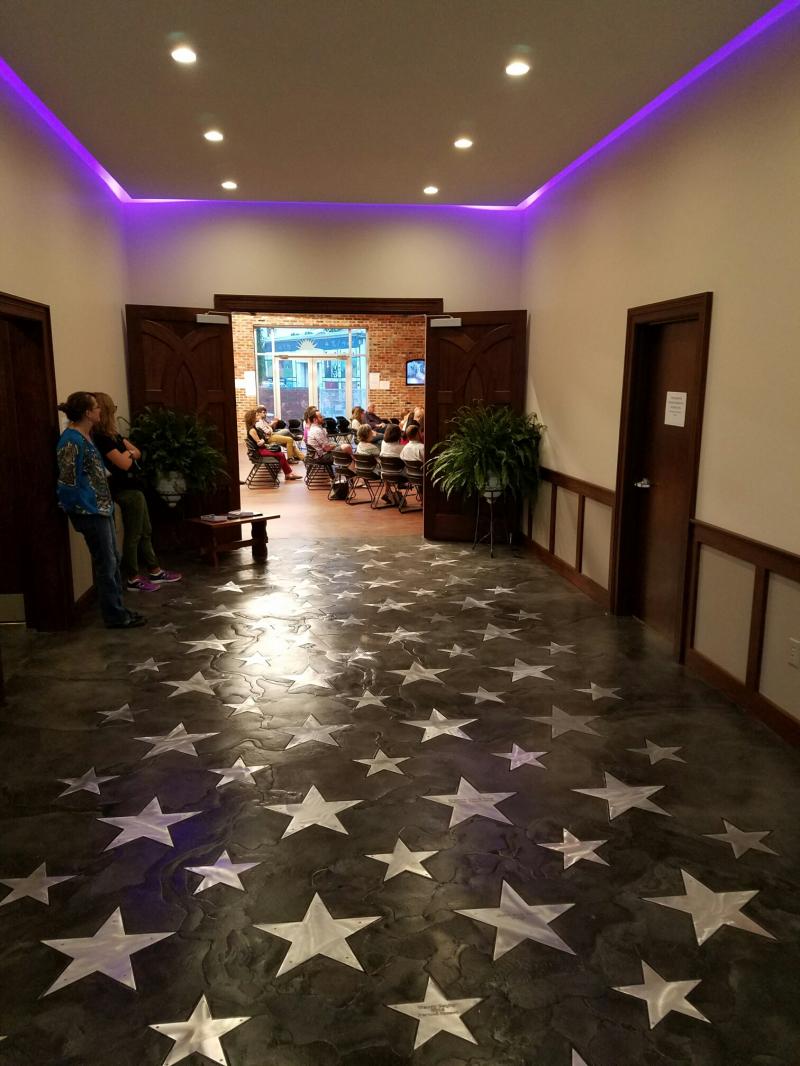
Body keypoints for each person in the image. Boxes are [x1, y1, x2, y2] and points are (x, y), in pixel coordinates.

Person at [56, 392, 144, 629]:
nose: (100, 411)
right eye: (96, 408)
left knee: (113, 560)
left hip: (101, 508)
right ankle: (114, 615)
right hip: (90, 510)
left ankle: (119, 609)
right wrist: (77, 507)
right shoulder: (71, 441)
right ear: (87, 413)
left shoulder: (87, 436)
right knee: (106, 563)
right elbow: (68, 480)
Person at [92, 392, 182, 592]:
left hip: (134, 488)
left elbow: (137, 452)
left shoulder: (113, 436)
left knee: (146, 530)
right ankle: (132, 576)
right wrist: (129, 454)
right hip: (123, 490)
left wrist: (129, 453)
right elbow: (124, 464)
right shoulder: (102, 439)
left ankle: (154, 570)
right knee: (134, 534)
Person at [244, 409, 301, 480]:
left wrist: (264, 439)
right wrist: (264, 440)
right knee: (281, 455)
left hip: (260, 450)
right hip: (259, 452)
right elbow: (259, 443)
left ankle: (288, 473)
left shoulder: (254, 428)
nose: (258, 417)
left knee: (280, 453)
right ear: (252, 418)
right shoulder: (252, 430)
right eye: (257, 415)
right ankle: (288, 474)